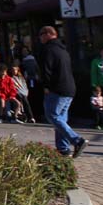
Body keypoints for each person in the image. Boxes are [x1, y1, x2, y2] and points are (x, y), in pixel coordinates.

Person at [38, 25, 86, 157]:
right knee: (61, 118)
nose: (40, 37)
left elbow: (46, 70)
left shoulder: (48, 49)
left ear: (48, 34)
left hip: (56, 88)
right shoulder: (63, 50)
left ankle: (77, 140)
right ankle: (63, 148)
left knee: (52, 115)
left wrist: (46, 86)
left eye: (41, 34)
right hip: (69, 88)